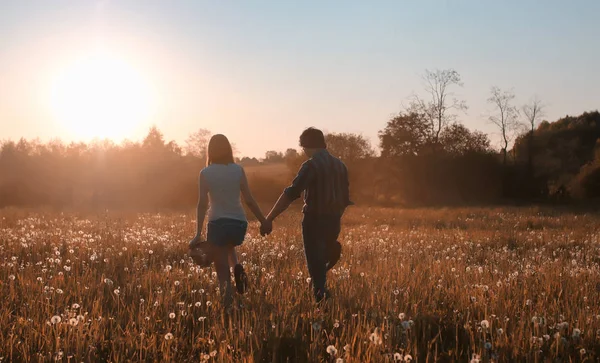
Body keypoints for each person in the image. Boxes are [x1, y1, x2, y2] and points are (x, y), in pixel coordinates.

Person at [262, 127, 351, 302]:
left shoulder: (311, 165)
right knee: (321, 258)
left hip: (314, 220)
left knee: (315, 263)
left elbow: (291, 193)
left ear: (306, 146)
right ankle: (329, 252)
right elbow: (344, 198)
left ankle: (321, 299)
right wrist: (336, 215)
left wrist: (270, 218)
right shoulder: (341, 166)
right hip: (334, 220)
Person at [189, 134, 271, 308]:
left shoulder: (205, 173)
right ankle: (237, 268)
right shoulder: (238, 170)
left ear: (210, 151)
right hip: (238, 224)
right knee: (228, 245)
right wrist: (263, 221)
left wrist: (197, 234)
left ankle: (227, 304)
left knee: (221, 266)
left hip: (217, 223)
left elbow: (202, 204)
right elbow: (249, 199)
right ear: (229, 149)